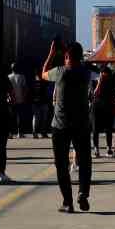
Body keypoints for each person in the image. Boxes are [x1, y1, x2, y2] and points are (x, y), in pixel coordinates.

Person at [44, 39, 93, 213]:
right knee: (85, 161)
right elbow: (79, 62)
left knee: (62, 164)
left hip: (60, 126)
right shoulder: (86, 74)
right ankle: (83, 192)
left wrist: (52, 53)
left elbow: (43, 73)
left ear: (66, 56)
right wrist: (69, 53)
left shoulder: (60, 72)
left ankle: (68, 202)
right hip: (81, 125)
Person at [8, 63, 31, 138]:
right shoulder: (22, 76)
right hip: (20, 100)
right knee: (20, 117)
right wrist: (24, 97)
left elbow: (7, 90)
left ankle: (10, 133)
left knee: (11, 117)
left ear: (11, 69)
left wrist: (9, 97)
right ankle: (19, 133)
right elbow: (25, 88)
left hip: (11, 100)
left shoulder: (9, 77)